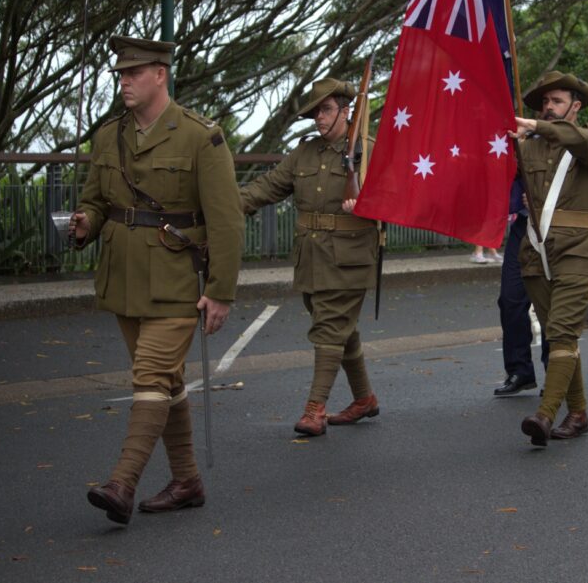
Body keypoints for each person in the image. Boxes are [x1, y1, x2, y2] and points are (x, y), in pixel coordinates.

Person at [73, 36, 244, 525]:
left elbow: (227, 219)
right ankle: (187, 481)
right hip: (123, 278)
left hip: (176, 279)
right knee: (166, 382)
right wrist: (85, 221)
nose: (124, 81)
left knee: (148, 375)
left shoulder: (200, 136)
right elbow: (98, 201)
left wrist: (221, 290)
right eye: (120, 74)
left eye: (134, 73)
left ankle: (121, 483)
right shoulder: (109, 136)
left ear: (160, 74)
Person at [240, 77, 381, 436]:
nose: (320, 117)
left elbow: (397, 199)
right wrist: (227, 203)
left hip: (350, 256)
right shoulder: (304, 152)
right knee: (338, 328)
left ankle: (314, 409)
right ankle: (364, 398)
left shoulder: (370, 149)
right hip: (312, 256)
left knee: (329, 329)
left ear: (346, 111)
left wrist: (366, 201)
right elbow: (269, 185)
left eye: (327, 109)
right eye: (316, 111)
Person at [512, 71, 588, 446]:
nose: (549, 109)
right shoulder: (527, 146)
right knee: (558, 334)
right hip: (536, 250)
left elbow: (577, 140)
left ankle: (546, 414)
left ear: (575, 106)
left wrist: (538, 126)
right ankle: (579, 412)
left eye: (556, 102)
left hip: (578, 250)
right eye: (544, 103)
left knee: (563, 333)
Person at [494, 178, 548, 396]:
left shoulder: (561, 144)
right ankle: (519, 370)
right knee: (510, 299)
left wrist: (543, 199)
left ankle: (556, 371)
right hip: (522, 228)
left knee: (549, 303)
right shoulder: (514, 145)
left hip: (553, 227)